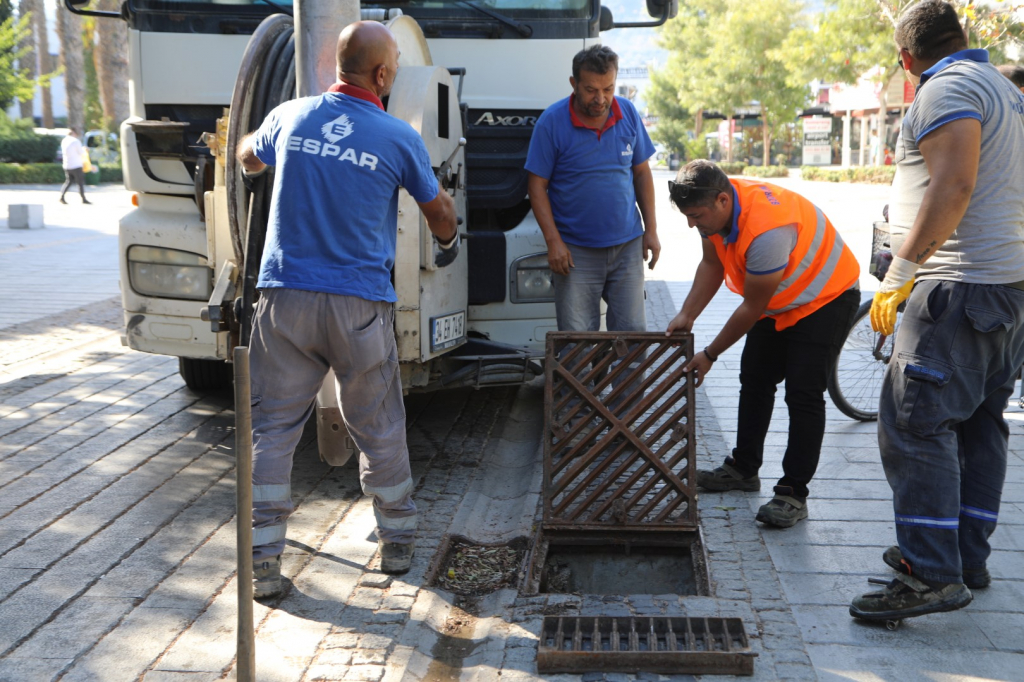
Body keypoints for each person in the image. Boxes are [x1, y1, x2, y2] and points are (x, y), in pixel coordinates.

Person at [236, 21, 459, 598]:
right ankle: (397, 540)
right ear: (383, 74)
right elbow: (438, 214)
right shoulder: (397, 136)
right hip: (359, 305)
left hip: (284, 298)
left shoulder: (289, 116)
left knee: (272, 429)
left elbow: (246, 154)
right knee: (378, 424)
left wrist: (255, 161)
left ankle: (261, 561)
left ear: (338, 66)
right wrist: (449, 236)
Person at [850, 0, 1024, 622]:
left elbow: (953, 185)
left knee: (916, 423)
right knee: (979, 422)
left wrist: (902, 272)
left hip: (958, 286)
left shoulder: (945, 88)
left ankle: (929, 573)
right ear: (963, 35)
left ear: (906, 58)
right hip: (1005, 288)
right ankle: (963, 557)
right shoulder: (1004, 88)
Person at [665, 160, 860, 528]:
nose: (693, 224)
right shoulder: (713, 205)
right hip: (781, 299)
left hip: (825, 298)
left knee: (803, 393)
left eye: (697, 216)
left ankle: (792, 493)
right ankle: (743, 469)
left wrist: (710, 354)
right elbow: (712, 264)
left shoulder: (768, 230)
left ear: (723, 200)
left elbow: (752, 307)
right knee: (754, 379)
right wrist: (687, 315)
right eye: (688, 216)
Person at [525, 45, 660, 339]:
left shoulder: (628, 114)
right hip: (575, 252)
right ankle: (581, 388)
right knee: (577, 341)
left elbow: (642, 173)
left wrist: (651, 230)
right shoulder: (552, 122)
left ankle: (629, 388)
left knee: (633, 336)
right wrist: (554, 242)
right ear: (574, 84)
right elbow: (536, 186)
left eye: (608, 89)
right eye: (591, 90)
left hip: (627, 247)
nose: (601, 99)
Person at [59, 129, 90, 205]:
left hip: (67, 165)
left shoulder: (64, 141)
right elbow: (81, 152)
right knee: (80, 182)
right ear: (74, 133)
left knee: (68, 181)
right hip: (76, 165)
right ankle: (83, 198)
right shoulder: (75, 141)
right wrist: (85, 149)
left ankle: (62, 196)